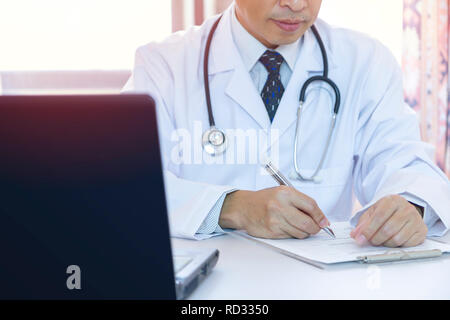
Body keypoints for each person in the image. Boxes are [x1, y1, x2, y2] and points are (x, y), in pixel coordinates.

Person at [122, 0, 450, 247]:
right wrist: (231, 206)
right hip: (208, 284)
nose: (296, 4)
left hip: (321, 286)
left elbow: (404, 161)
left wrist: (409, 205)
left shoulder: (365, 61)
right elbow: (129, 185)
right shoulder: (163, 64)